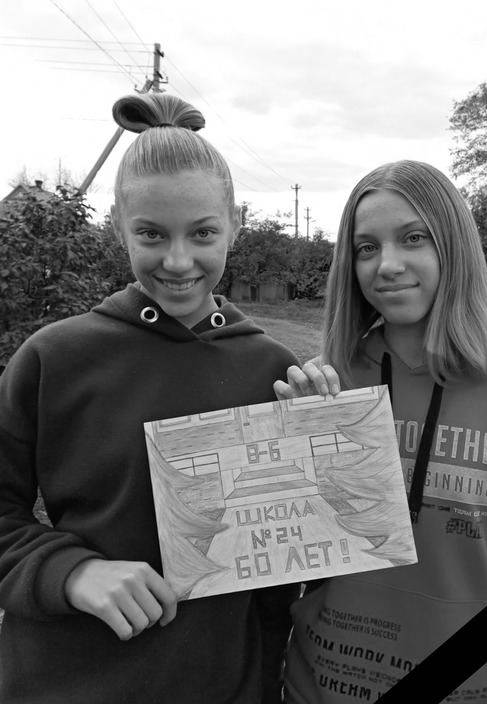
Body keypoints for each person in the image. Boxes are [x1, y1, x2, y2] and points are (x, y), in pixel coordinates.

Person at [0, 92, 300, 704]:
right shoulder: (54, 358)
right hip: (63, 683)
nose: (178, 260)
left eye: (203, 233)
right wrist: (70, 572)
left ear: (235, 224)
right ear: (118, 227)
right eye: (151, 234)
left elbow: (281, 574)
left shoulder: (273, 371)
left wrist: (326, 439)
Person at [274, 160, 487, 703]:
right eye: (366, 247)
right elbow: (279, 548)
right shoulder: (328, 385)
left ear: (453, 247)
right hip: (319, 686)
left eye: (413, 238)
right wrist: (293, 451)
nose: (387, 265)